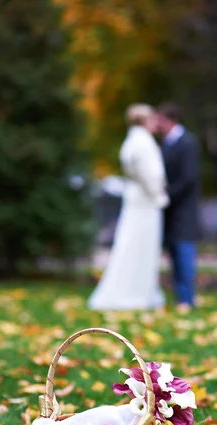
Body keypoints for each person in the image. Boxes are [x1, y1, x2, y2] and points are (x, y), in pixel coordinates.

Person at [88, 104, 169, 310]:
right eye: (151, 119)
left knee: (131, 245)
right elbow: (150, 175)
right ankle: (135, 293)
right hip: (145, 202)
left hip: (136, 201)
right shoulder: (143, 143)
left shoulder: (131, 141)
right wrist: (158, 195)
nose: (155, 123)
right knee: (141, 247)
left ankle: (135, 291)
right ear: (143, 121)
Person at [157, 102, 201, 312]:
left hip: (183, 211)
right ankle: (180, 297)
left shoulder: (187, 143)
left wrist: (166, 196)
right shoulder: (167, 144)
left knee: (184, 256)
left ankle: (187, 298)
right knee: (174, 256)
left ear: (170, 119)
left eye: (160, 120)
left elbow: (188, 178)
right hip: (171, 212)